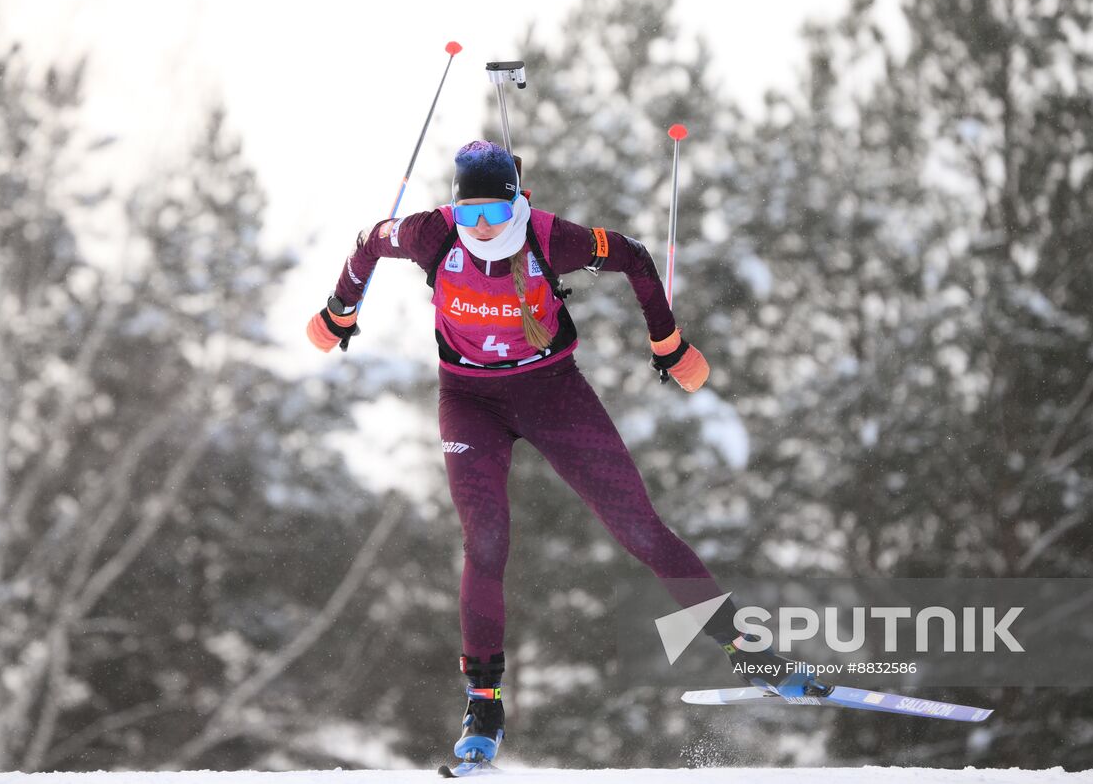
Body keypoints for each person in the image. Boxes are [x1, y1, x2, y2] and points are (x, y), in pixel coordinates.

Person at [307, 140, 819, 770]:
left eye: (495, 213)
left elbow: (632, 256)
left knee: (640, 528)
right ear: (453, 211)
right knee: (486, 539)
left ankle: (748, 650)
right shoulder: (427, 235)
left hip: (553, 392)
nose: (484, 229)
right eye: (470, 217)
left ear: (518, 203)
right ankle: (484, 703)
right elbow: (366, 243)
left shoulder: (551, 239)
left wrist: (669, 343)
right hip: (470, 400)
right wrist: (339, 312)